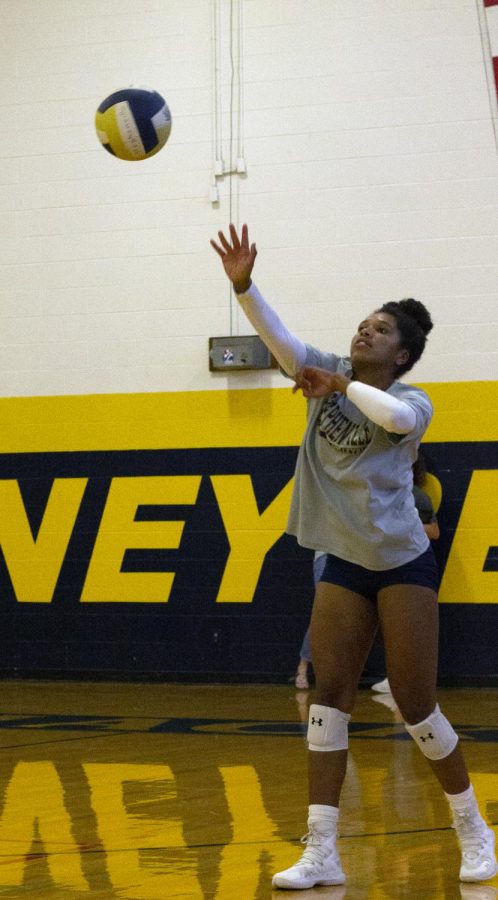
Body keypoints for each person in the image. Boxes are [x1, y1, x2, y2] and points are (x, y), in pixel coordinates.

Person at [210, 224, 497, 890]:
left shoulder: (410, 401)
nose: (366, 332)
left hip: (400, 563)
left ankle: (473, 831)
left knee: (417, 703)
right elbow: (280, 342)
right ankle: (322, 851)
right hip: (343, 561)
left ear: (403, 354)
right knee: (328, 704)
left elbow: (395, 423)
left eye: (381, 329)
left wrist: (336, 387)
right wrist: (244, 286)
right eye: (363, 323)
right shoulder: (322, 368)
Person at [299, 453, 441, 693]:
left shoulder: (414, 496)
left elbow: (433, 531)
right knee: (328, 618)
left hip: (391, 560)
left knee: (389, 620)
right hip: (336, 554)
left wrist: (400, 527)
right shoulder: (343, 485)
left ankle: (386, 679)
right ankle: (305, 669)